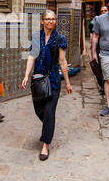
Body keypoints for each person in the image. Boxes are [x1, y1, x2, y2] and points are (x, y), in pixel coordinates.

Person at [21, 10, 73, 161]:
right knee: (39, 110)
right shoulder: (37, 37)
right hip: (38, 78)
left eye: (53, 19)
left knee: (49, 112)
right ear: (42, 21)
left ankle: (45, 145)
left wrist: (68, 83)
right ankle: (49, 126)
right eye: (47, 19)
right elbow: (32, 56)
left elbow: (63, 62)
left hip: (53, 80)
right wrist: (26, 75)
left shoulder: (60, 38)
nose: (51, 21)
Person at [90, 5, 108, 93]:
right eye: (102, 11)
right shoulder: (97, 21)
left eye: (105, 10)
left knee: (107, 68)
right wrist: (93, 52)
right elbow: (93, 35)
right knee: (100, 67)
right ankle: (102, 85)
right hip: (99, 48)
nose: (104, 12)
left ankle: (105, 85)